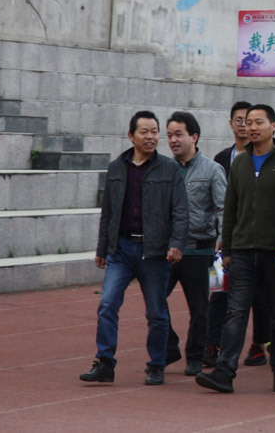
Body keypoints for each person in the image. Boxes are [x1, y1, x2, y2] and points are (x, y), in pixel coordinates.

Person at [80, 111, 188, 386]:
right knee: (107, 304)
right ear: (131, 136)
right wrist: (102, 248)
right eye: (144, 131)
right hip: (122, 250)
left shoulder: (169, 168)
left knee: (156, 311)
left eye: (154, 131)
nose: (151, 136)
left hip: (154, 252)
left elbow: (180, 211)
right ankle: (104, 362)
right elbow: (108, 212)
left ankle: (156, 364)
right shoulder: (117, 167)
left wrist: (176, 244)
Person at [196, 104, 275, 394]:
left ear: (273, 126)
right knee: (235, 312)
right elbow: (231, 207)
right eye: (248, 122)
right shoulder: (239, 162)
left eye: (259, 122)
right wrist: (226, 248)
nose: (251, 127)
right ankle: (224, 372)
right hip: (241, 251)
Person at [165, 111, 227, 376]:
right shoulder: (164, 169)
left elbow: (224, 208)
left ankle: (195, 356)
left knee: (200, 307)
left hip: (199, 248)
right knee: (155, 300)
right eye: (169, 135)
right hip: (167, 249)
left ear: (194, 136)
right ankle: (169, 348)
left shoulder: (213, 170)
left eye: (178, 134)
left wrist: (223, 241)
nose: (173, 140)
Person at [209, 100, 270, 368]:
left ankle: (262, 347)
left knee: (264, 300)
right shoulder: (224, 159)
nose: (246, 126)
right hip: (232, 241)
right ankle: (215, 349)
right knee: (222, 296)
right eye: (241, 120)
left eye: (253, 121)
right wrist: (223, 239)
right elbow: (224, 204)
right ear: (232, 123)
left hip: (264, 244)